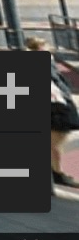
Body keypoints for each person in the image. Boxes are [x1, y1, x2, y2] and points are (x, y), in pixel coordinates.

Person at [25, 37, 79, 192]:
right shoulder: (44, 61)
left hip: (56, 105)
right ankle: (57, 174)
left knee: (56, 141)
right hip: (57, 106)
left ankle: (56, 173)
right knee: (56, 142)